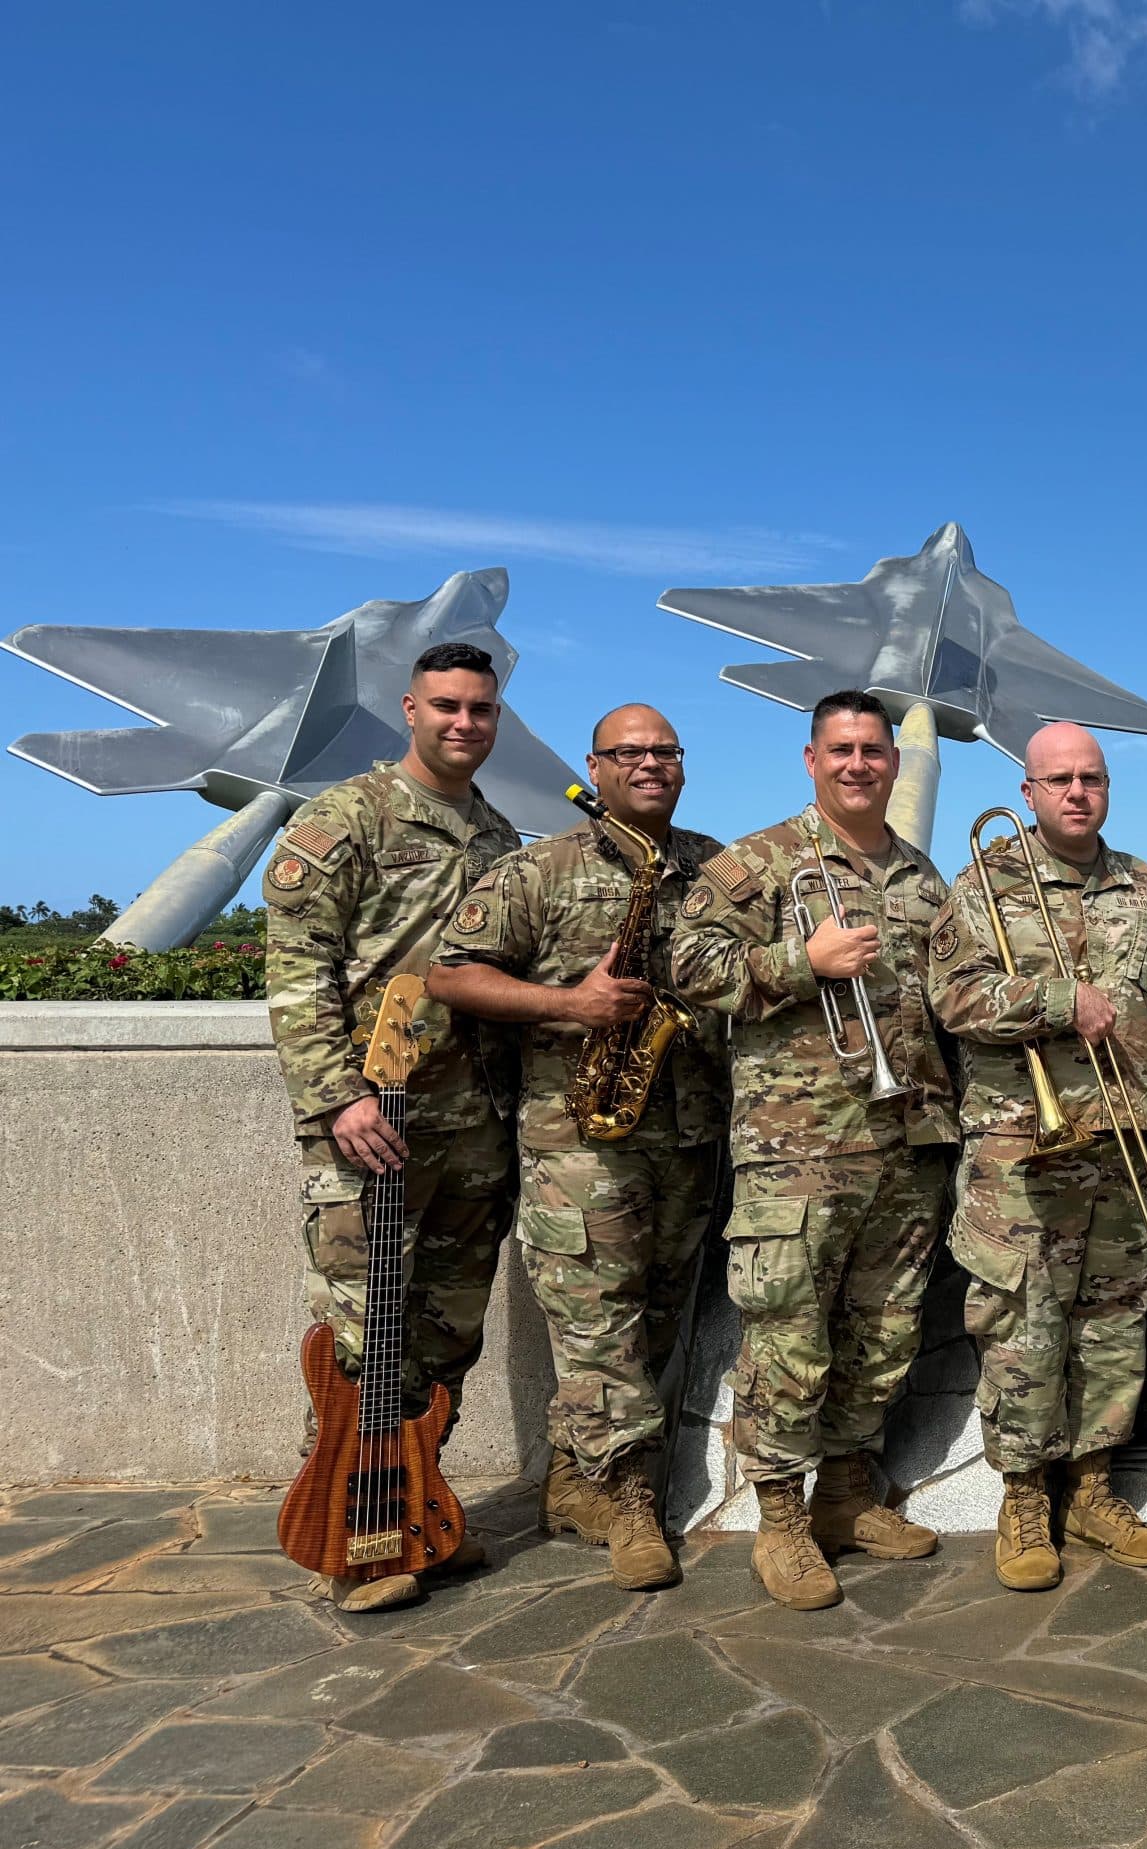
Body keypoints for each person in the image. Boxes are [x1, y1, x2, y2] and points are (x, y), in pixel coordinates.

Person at [666, 691, 957, 1611]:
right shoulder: (758, 862)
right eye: (842, 750)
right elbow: (687, 967)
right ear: (810, 759)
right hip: (796, 1149)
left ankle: (844, 1495)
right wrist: (803, 962)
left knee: (884, 1332)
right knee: (788, 1337)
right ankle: (782, 1523)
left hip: (905, 1141)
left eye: (874, 750)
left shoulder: (920, 875)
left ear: (894, 764)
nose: (860, 764)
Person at [428, 704, 726, 1592]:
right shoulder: (540, 868)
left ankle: (575, 1479)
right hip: (579, 1140)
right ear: (594, 769)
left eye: (665, 751)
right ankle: (630, 1499)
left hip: (686, 1131)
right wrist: (570, 1005)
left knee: (661, 1314)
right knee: (598, 1323)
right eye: (628, 753)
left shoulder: (716, 866)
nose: (650, 764)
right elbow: (451, 973)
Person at [262, 641, 522, 1613]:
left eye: (482, 710)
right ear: (410, 708)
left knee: (445, 1340)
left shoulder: (498, 838)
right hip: (373, 1128)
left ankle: (414, 1509)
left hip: (470, 1131)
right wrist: (338, 1098)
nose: (464, 723)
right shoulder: (347, 818)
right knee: (359, 1344)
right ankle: (345, 1531)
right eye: (447, 706)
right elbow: (297, 970)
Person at [927, 721, 1147, 1592]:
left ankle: (1092, 1488)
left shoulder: (1144, 885)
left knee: (1114, 1322)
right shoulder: (983, 883)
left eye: (1091, 777)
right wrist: (1056, 1000)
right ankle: (1022, 1497)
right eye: (1058, 780)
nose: (1076, 792)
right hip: (1020, 1146)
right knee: (1021, 1324)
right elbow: (953, 997)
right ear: (1029, 793)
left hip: (1125, 1136)